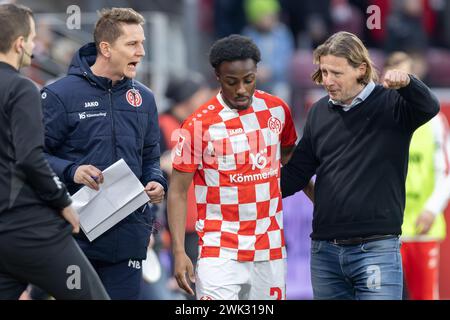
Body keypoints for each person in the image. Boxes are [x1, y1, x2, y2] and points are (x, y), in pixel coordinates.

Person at [281, 31, 440, 300]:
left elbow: (429, 107)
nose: (327, 81)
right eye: (324, 72)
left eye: (336, 73)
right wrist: (252, 187)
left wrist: (408, 82)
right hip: (324, 251)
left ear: (361, 69)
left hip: (376, 249)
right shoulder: (319, 111)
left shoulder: (393, 103)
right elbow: (297, 173)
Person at [167, 34, 313, 300]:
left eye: (249, 80)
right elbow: (176, 191)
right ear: (217, 77)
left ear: (256, 72)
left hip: (269, 246)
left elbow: (292, 164)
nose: (242, 90)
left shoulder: (277, 110)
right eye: (231, 82)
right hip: (219, 248)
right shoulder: (198, 125)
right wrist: (179, 251)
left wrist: (321, 200)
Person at [41, 8, 167, 300]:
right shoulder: (60, 94)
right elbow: (32, 158)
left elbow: (150, 157)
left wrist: (156, 182)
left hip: (128, 236)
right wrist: (73, 171)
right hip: (75, 236)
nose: (142, 51)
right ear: (106, 48)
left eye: (142, 43)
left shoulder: (145, 98)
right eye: (132, 44)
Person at [0, 3, 108, 300]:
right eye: (32, 38)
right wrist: (64, 203)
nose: (34, 45)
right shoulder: (23, 88)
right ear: (20, 43)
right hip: (30, 229)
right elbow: (31, 157)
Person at [384, 52, 449, 300]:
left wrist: (432, 209)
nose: (396, 72)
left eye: (403, 67)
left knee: (424, 296)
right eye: (391, 66)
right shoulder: (382, 115)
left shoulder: (434, 121)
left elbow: (446, 172)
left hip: (423, 227)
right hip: (388, 231)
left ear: (415, 73)